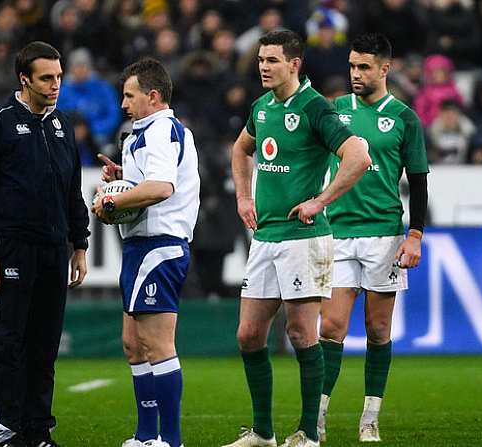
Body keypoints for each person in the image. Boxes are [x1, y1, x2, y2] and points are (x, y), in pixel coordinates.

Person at [222, 30, 371, 447]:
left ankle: (308, 432)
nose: (263, 67)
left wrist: (320, 201)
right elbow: (240, 150)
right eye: (260, 60)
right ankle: (263, 433)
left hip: (304, 238)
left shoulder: (315, 108)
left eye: (272, 60)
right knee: (249, 335)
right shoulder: (262, 108)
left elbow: (358, 157)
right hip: (266, 235)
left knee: (302, 334)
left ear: (294, 64)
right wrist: (243, 197)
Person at [0, 41, 90, 447]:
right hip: (12, 249)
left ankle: (38, 430)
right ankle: (7, 431)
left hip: (54, 250)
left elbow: (73, 189)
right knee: (7, 343)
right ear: (25, 80)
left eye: (59, 77)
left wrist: (80, 243)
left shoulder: (62, 125)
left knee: (44, 345)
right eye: (47, 78)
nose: (56, 85)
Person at [316, 33, 429, 443]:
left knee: (378, 330)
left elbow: (418, 183)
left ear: (385, 69)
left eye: (364, 67)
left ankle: (369, 418)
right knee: (331, 327)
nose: (356, 74)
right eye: (351, 66)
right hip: (339, 232)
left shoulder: (403, 118)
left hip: (384, 235)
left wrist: (414, 235)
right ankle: (319, 417)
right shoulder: (332, 112)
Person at [92, 57, 200, 447]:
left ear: (153, 96)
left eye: (129, 95)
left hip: (160, 245)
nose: (123, 104)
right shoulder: (146, 131)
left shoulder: (159, 130)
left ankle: (170, 440)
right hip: (142, 245)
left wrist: (111, 203)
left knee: (156, 345)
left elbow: (161, 188)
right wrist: (123, 180)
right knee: (133, 345)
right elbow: (149, 183)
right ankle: (145, 435)